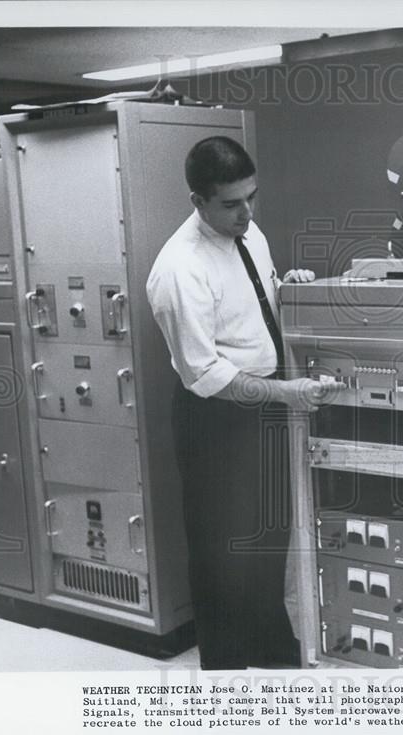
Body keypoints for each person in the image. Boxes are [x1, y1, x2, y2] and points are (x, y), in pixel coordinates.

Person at [146, 136, 343, 670]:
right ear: (198, 202)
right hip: (217, 416)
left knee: (265, 538)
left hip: (266, 404)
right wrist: (287, 392)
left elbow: (251, 301)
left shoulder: (247, 231)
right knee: (220, 553)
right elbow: (205, 372)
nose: (246, 212)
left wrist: (289, 288)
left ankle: (272, 649)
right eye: (231, 204)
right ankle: (227, 673)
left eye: (250, 198)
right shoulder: (178, 270)